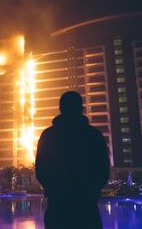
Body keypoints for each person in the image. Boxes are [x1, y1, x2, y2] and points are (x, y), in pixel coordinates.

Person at [35, 91, 110, 229]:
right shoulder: (94, 135)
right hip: (87, 208)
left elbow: (40, 170)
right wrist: (91, 190)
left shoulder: (48, 135)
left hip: (58, 208)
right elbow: (104, 170)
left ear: (61, 109)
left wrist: (54, 188)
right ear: (81, 109)